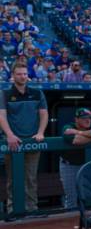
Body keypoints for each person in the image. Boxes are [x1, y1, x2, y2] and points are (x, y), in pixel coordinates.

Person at [0, 62, 48, 218]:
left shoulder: (36, 92)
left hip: (32, 141)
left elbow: (44, 114)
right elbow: (1, 115)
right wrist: (9, 135)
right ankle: (13, 211)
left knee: (31, 178)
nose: (23, 76)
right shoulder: (5, 93)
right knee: (13, 178)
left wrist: (40, 132)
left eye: (25, 74)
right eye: (19, 74)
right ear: (13, 75)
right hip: (13, 142)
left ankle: (31, 209)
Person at [60, 108, 91, 209]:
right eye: (84, 118)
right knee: (72, 198)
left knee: (90, 196)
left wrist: (79, 132)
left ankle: (86, 220)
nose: (88, 120)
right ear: (76, 119)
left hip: (87, 166)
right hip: (69, 165)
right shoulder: (68, 127)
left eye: (89, 118)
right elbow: (76, 141)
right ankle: (70, 221)